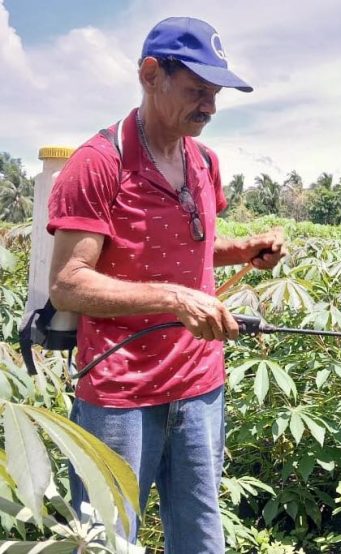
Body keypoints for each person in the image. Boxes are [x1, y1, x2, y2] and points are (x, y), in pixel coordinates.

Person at [47, 17, 284, 553]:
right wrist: (173, 299)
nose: (210, 107)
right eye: (197, 90)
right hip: (119, 393)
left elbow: (190, 250)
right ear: (151, 73)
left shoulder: (204, 161)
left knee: (201, 537)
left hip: (200, 385)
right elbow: (67, 283)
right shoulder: (98, 164)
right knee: (109, 542)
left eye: (215, 93)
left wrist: (242, 253)